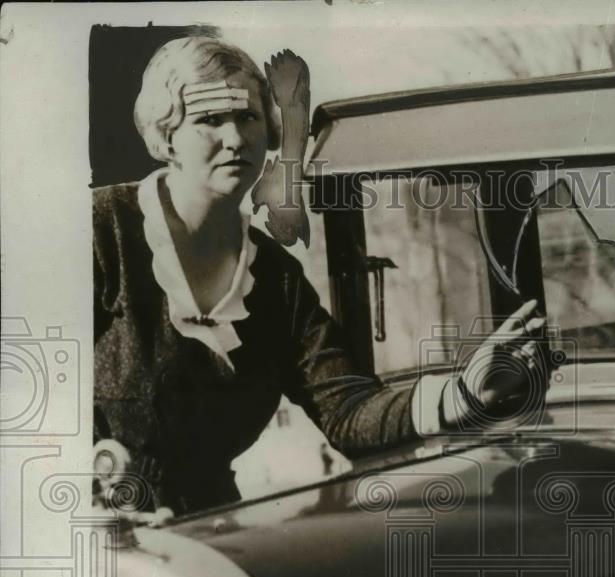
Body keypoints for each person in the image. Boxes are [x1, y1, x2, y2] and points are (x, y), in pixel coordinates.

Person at [93, 36, 547, 515]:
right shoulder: (103, 229)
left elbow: (347, 411)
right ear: (166, 135)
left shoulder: (274, 277)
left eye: (247, 116)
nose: (235, 139)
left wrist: (462, 392)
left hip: (208, 535)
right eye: (209, 119)